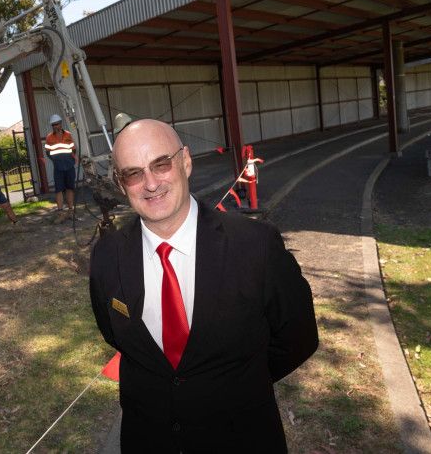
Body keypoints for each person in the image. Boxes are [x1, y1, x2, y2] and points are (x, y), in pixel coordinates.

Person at [89, 119, 318, 453]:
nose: (151, 183)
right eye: (134, 173)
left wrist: (237, 385)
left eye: (161, 164)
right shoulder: (107, 255)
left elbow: (298, 337)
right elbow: (114, 334)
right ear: (122, 185)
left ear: (185, 161)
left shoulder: (256, 245)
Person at [44, 114, 76, 222]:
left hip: (69, 166)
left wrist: (70, 159)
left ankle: (71, 211)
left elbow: (73, 149)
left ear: (61, 124)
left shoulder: (69, 135)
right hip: (58, 167)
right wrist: (57, 160)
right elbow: (48, 152)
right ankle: (60, 212)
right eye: (53, 125)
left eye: (57, 124)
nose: (55, 126)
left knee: (70, 188)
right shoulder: (49, 137)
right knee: (58, 190)